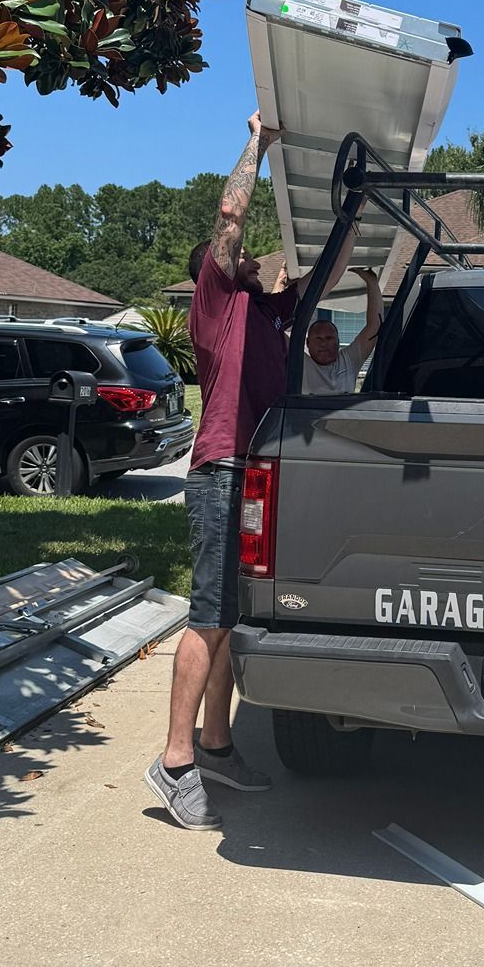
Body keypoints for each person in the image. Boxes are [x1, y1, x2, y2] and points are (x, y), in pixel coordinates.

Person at [145, 111, 352, 831]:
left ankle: (217, 745)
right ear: (220, 264)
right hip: (221, 470)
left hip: (255, 475)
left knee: (230, 620)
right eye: (237, 255)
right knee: (208, 617)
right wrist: (258, 143)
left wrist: (361, 195)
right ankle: (173, 762)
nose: (251, 256)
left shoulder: (265, 315)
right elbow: (231, 212)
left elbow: (329, 263)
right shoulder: (218, 303)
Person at [303, 268, 382, 396]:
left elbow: (375, 326)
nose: (323, 343)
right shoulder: (300, 363)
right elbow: (272, 328)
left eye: (329, 338)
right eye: (318, 338)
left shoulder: (349, 359)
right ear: (307, 343)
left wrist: (371, 282)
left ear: (338, 342)